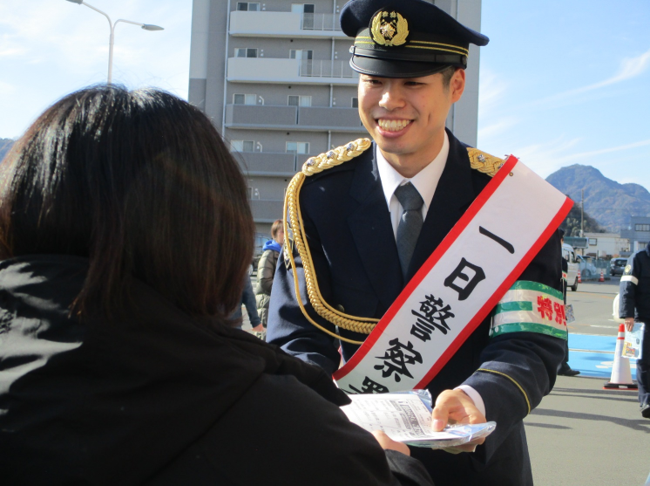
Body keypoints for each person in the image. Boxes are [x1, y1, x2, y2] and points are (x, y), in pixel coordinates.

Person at [0, 85, 435, 485]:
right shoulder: (271, 424)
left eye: (414, 82)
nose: (391, 98)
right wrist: (394, 464)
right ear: (207, 232)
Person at [267, 1, 566, 484]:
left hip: (475, 464)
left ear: (457, 86)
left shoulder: (513, 203)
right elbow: (297, 335)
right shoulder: (316, 195)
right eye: (375, 81)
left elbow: (531, 342)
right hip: (353, 457)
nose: (388, 101)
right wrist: (317, 406)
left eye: (412, 83)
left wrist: (481, 395)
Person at [618, 242, 650, 419]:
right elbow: (626, 288)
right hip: (642, 319)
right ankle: (646, 400)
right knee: (644, 361)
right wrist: (628, 315)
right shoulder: (638, 258)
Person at [558, 229, 580, 376]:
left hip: (558, 303)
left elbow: (563, 286)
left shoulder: (562, 262)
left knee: (563, 332)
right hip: (555, 302)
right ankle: (561, 364)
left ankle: (562, 363)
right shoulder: (560, 262)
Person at [255, 219, 284, 327]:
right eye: (282, 232)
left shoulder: (285, 254)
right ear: (274, 234)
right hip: (267, 305)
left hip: (277, 304)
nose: (285, 235)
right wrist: (284, 289)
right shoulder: (269, 254)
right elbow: (264, 281)